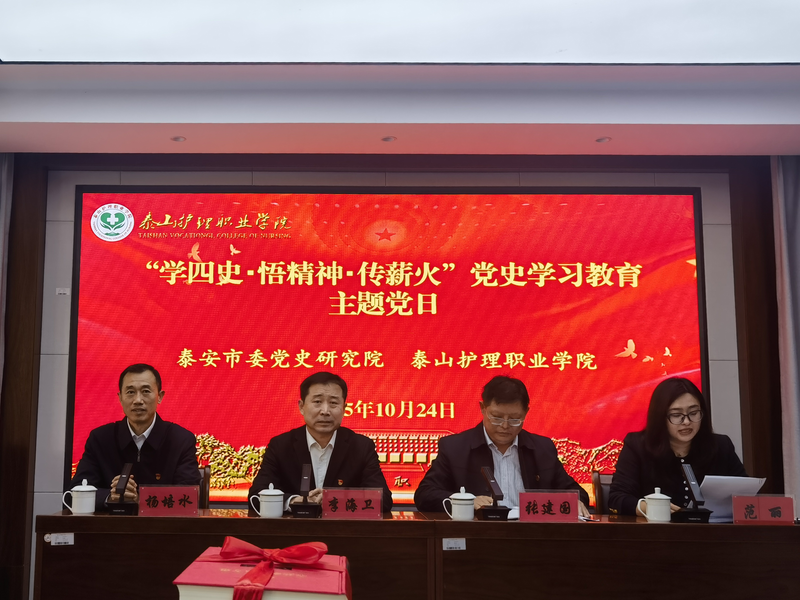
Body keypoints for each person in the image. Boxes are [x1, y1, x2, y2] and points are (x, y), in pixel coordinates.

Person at [414, 375, 590, 515]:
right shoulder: (455, 448)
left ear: (526, 413)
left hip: (532, 536)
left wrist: (574, 502)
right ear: (483, 408)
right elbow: (424, 495)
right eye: (497, 417)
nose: (505, 426)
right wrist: (465, 501)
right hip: (477, 535)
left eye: (514, 419)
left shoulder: (542, 449)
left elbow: (577, 494)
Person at [248, 371, 393, 512]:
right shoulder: (281, 445)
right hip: (294, 527)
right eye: (317, 402)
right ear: (301, 406)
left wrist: (335, 499)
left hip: (342, 527)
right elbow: (256, 496)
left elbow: (384, 500)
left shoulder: (361, 447)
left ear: (344, 408)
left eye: (333, 403)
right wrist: (293, 501)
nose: (325, 411)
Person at [608, 377, 747, 516]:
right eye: (676, 415)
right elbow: (616, 498)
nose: (686, 421)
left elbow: (746, 493)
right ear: (660, 417)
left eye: (693, 413)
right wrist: (649, 507)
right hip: (656, 528)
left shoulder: (721, 446)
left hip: (712, 528)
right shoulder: (637, 446)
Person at [70, 363, 200, 511]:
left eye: (146, 391)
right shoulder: (100, 439)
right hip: (111, 525)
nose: (138, 400)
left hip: (162, 525)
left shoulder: (181, 440)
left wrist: (141, 500)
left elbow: (189, 496)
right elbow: (76, 490)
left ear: (159, 396)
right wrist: (111, 497)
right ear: (120, 398)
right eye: (130, 392)